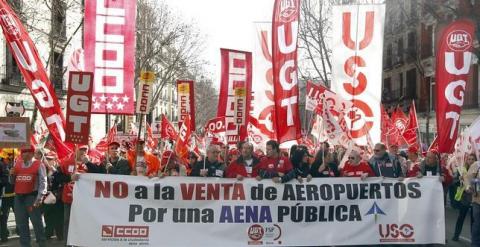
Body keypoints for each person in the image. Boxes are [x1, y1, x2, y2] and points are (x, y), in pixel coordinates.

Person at [11, 146, 47, 247]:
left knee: (36, 223)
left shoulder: (39, 165)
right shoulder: (17, 164)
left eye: (27, 152)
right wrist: (11, 175)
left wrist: (40, 197)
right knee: (21, 224)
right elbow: (12, 182)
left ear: (32, 154)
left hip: (32, 198)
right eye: (23, 152)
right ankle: (25, 245)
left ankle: (42, 243)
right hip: (19, 198)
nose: (25, 154)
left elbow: (43, 182)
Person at [451, 154, 476, 241]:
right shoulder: (462, 170)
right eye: (469, 159)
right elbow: (454, 182)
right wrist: (460, 179)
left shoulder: (478, 170)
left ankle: (474, 239)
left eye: (473, 159)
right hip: (464, 198)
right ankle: (456, 235)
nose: (471, 161)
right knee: (461, 217)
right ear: (466, 160)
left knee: (474, 221)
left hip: (474, 198)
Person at [43, 151, 64, 241]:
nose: (48, 161)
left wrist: (54, 171)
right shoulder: (42, 169)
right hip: (46, 197)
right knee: (47, 216)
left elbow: (62, 180)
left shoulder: (59, 169)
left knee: (59, 217)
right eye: (47, 159)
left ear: (55, 160)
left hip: (58, 197)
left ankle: (60, 235)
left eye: (50, 159)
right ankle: (48, 234)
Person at [465, 156, 480, 247]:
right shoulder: (476, 165)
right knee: (478, 225)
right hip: (478, 201)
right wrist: (468, 187)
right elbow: (467, 178)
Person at [0, 149, 13, 243]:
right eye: (8, 156)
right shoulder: (1, 165)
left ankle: (21, 231)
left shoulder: (14, 163)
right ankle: (3, 235)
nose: (10, 158)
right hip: (4, 196)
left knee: (22, 216)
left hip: (15, 195)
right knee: (3, 217)